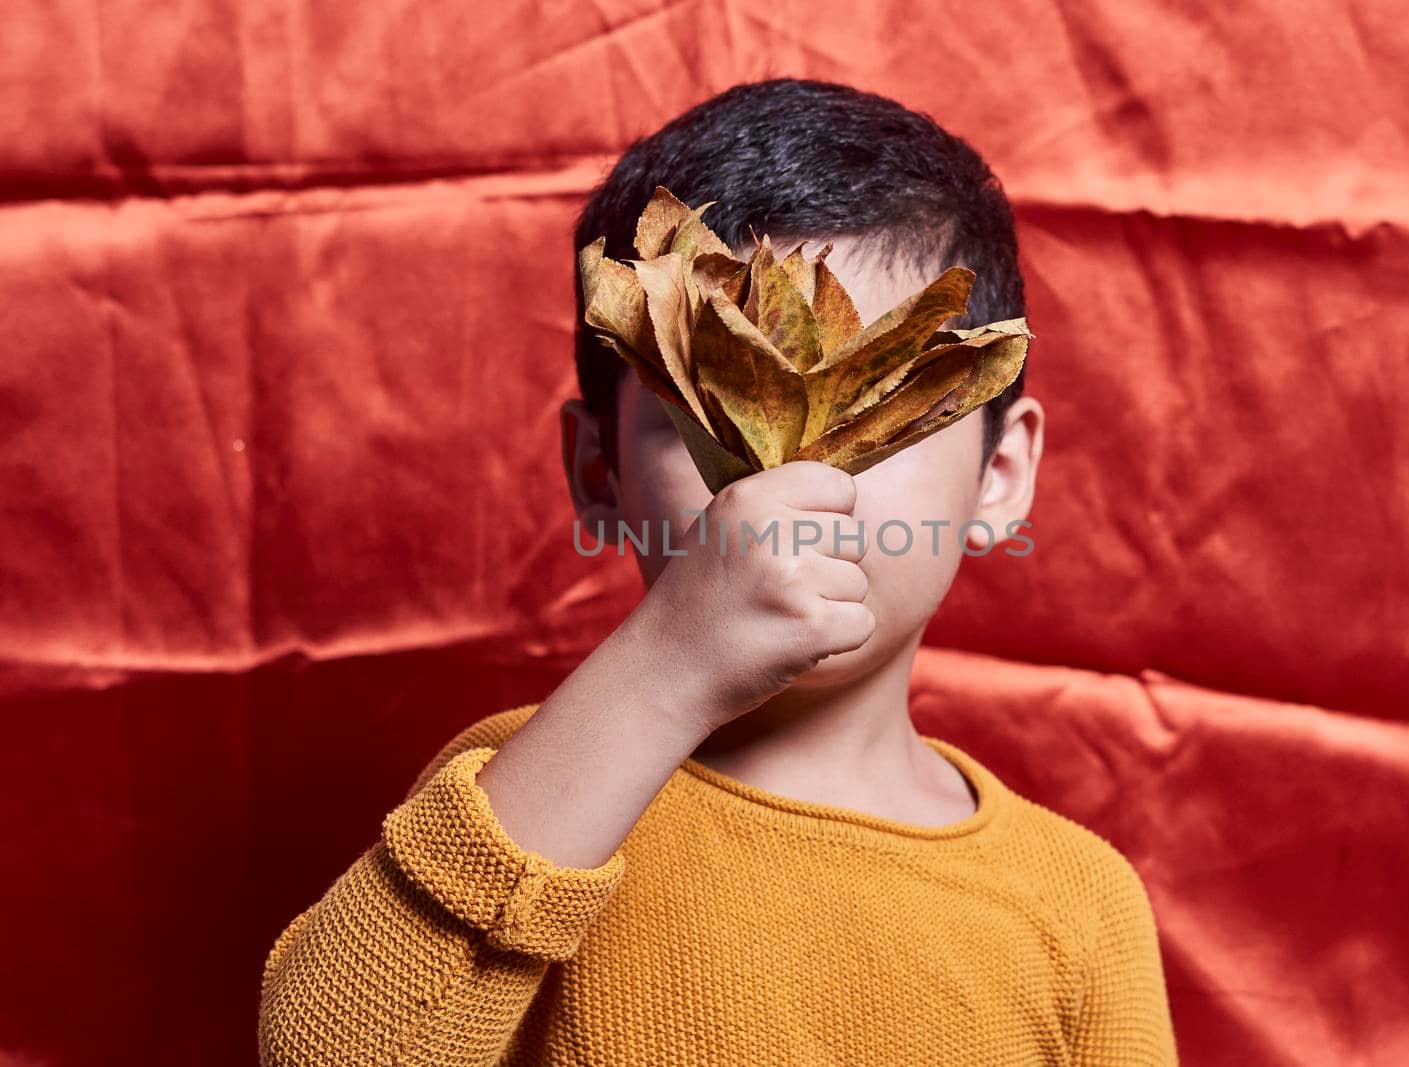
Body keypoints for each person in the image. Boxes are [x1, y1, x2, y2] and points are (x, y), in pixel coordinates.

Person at [258, 77, 1178, 1066]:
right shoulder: (530, 790)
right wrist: (662, 665)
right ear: (598, 469)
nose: (795, 474)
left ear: (998, 474)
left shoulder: (1079, 904)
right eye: (714, 405)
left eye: (888, 403)